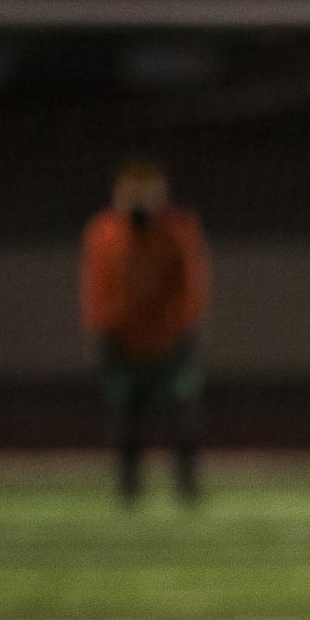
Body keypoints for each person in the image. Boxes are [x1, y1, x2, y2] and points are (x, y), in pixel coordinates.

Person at [80, 159, 210, 504]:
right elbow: (97, 287)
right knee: (125, 417)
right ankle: (129, 488)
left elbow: (190, 286)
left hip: (169, 341)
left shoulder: (178, 231)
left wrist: (178, 327)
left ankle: (187, 488)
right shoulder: (104, 233)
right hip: (123, 342)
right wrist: (106, 326)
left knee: (184, 416)